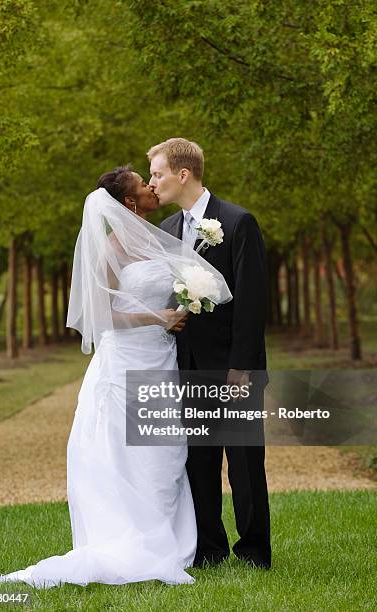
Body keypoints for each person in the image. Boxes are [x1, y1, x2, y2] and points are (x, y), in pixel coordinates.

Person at [0, 166, 231, 588]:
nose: (152, 186)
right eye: (144, 184)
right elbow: (100, 317)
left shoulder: (160, 239)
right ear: (130, 202)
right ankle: (131, 542)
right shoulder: (111, 249)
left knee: (165, 451)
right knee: (124, 453)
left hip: (161, 359)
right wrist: (158, 316)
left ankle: (168, 540)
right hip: (124, 362)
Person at [149, 138, 271, 569]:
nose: (152, 183)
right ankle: (209, 550)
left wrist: (241, 367)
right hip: (186, 367)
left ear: (183, 174)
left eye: (158, 174)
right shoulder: (165, 229)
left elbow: (253, 302)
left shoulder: (238, 222)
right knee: (198, 465)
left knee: (244, 467)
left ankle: (254, 551)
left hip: (234, 368)